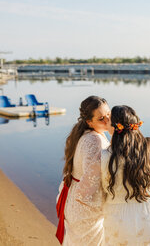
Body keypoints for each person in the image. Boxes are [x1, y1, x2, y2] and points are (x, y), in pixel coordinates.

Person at [100, 105, 150, 246]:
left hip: (119, 218)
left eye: (108, 120)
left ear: (115, 128)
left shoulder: (106, 156)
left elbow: (101, 191)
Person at [56, 96, 111, 245]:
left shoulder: (85, 134)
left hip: (75, 198)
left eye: (108, 115)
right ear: (89, 122)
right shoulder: (95, 140)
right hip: (85, 206)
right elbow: (94, 179)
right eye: (101, 119)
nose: (107, 120)